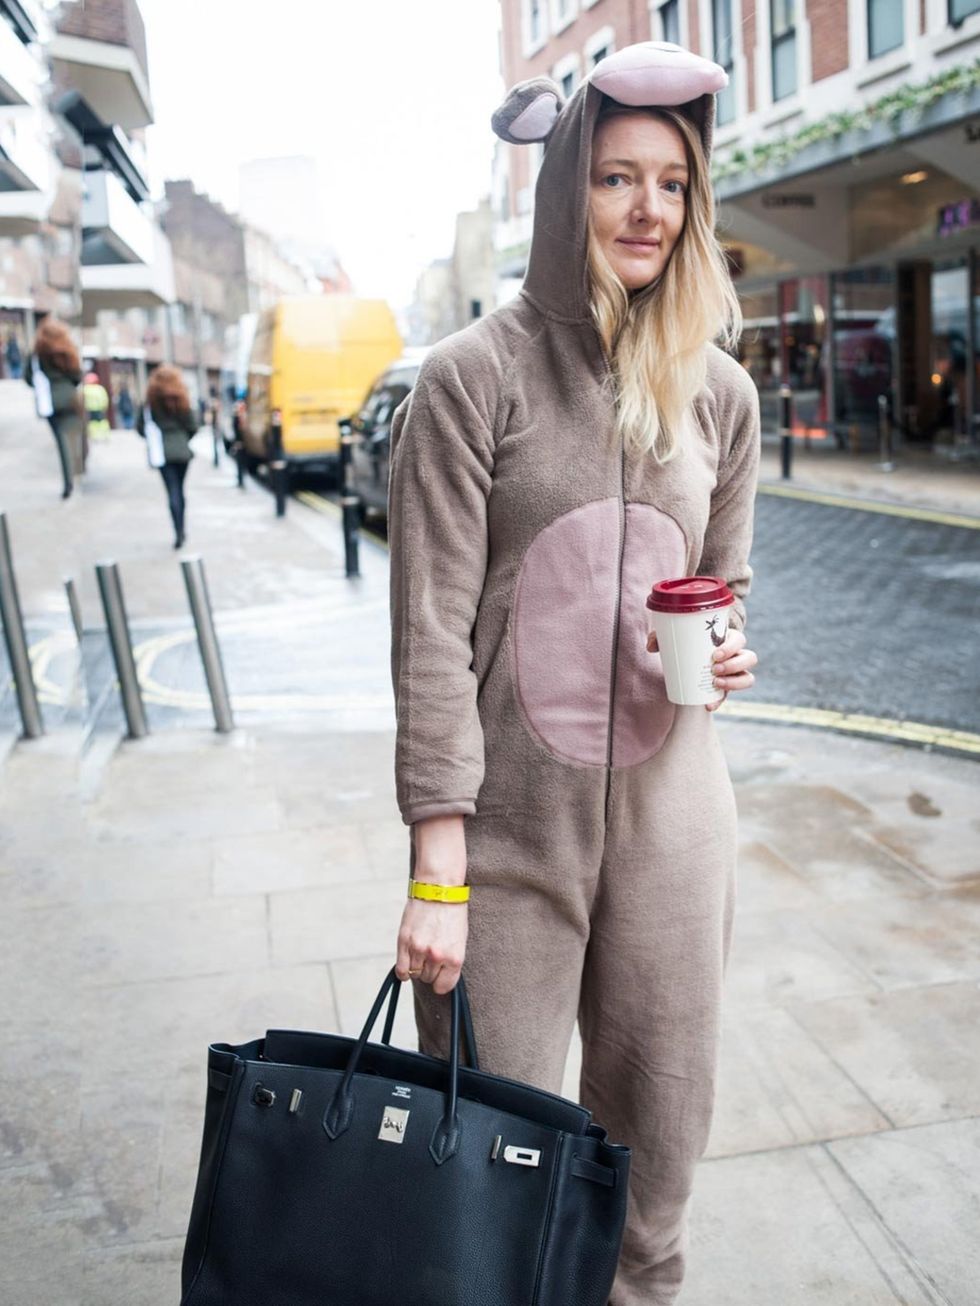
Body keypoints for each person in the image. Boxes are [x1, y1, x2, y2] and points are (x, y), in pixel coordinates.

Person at [388, 43, 760, 1306]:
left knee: (654, 1169)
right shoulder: (468, 380)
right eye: (613, 178)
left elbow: (723, 586)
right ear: (564, 192)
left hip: (673, 829)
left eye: (670, 182)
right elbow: (429, 637)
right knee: (483, 1176)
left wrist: (723, 648)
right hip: (505, 842)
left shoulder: (718, 394)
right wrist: (437, 870)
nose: (646, 208)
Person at [137, 365, 198, 548]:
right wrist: (182, 439)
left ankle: (177, 532)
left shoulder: (151, 403)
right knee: (180, 489)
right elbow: (193, 426)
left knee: (172, 491)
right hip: (182, 452)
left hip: (162, 452)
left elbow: (141, 428)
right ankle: (182, 529)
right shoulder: (182, 399)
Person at [26, 318, 83, 499]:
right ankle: (77, 472)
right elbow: (77, 375)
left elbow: (28, 377)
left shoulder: (37, 354)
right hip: (70, 399)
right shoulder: (67, 350)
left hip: (50, 401)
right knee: (73, 437)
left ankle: (68, 483)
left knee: (61, 441)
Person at [83, 371, 111, 442]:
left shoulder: (85, 389)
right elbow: (105, 399)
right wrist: (104, 407)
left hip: (89, 409)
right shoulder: (100, 389)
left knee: (92, 423)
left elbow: (83, 400)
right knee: (102, 422)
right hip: (99, 408)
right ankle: (104, 435)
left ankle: (94, 436)